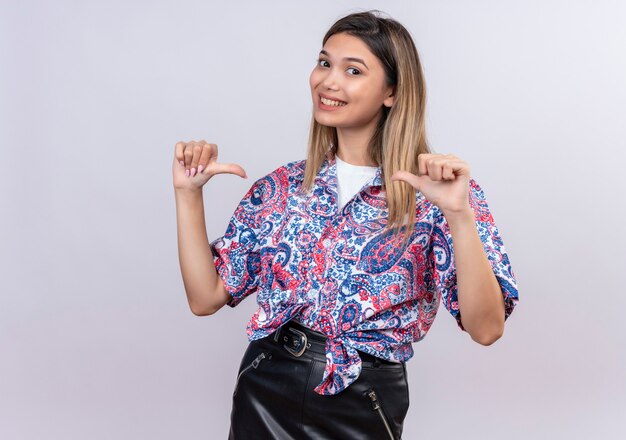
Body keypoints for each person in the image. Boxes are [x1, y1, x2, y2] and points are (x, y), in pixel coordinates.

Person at [172, 10, 519, 440]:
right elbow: (206, 298)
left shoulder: (439, 195)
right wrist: (188, 195)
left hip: (362, 400)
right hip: (265, 388)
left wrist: (460, 216)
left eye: (352, 70)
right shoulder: (281, 188)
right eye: (324, 63)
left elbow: (486, 329)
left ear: (391, 91)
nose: (328, 81)